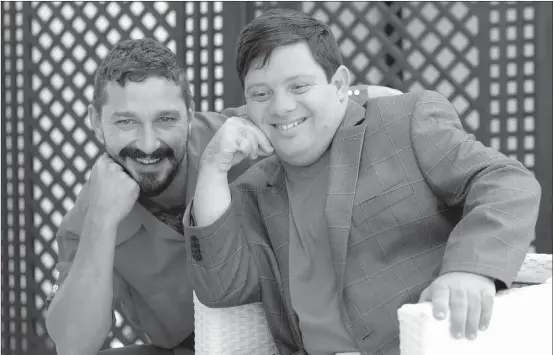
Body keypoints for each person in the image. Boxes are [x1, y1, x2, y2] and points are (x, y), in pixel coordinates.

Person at [184, 9, 542, 355]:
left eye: (299, 86)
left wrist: (470, 269)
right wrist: (213, 167)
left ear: (339, 84)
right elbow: (222, 289)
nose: (281, 107)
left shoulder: (403, 123)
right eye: (261, 94)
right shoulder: (255, 188)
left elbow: (506, 182)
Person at [44, 37, 399, 355]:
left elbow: (379, 98)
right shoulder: (87, 220)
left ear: (191, 114)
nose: (149, 144)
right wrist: (101, 222)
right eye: (126, 122)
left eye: (166, 119)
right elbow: (73, 345)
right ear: (95, 122)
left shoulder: (235, 137)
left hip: (297, 334)